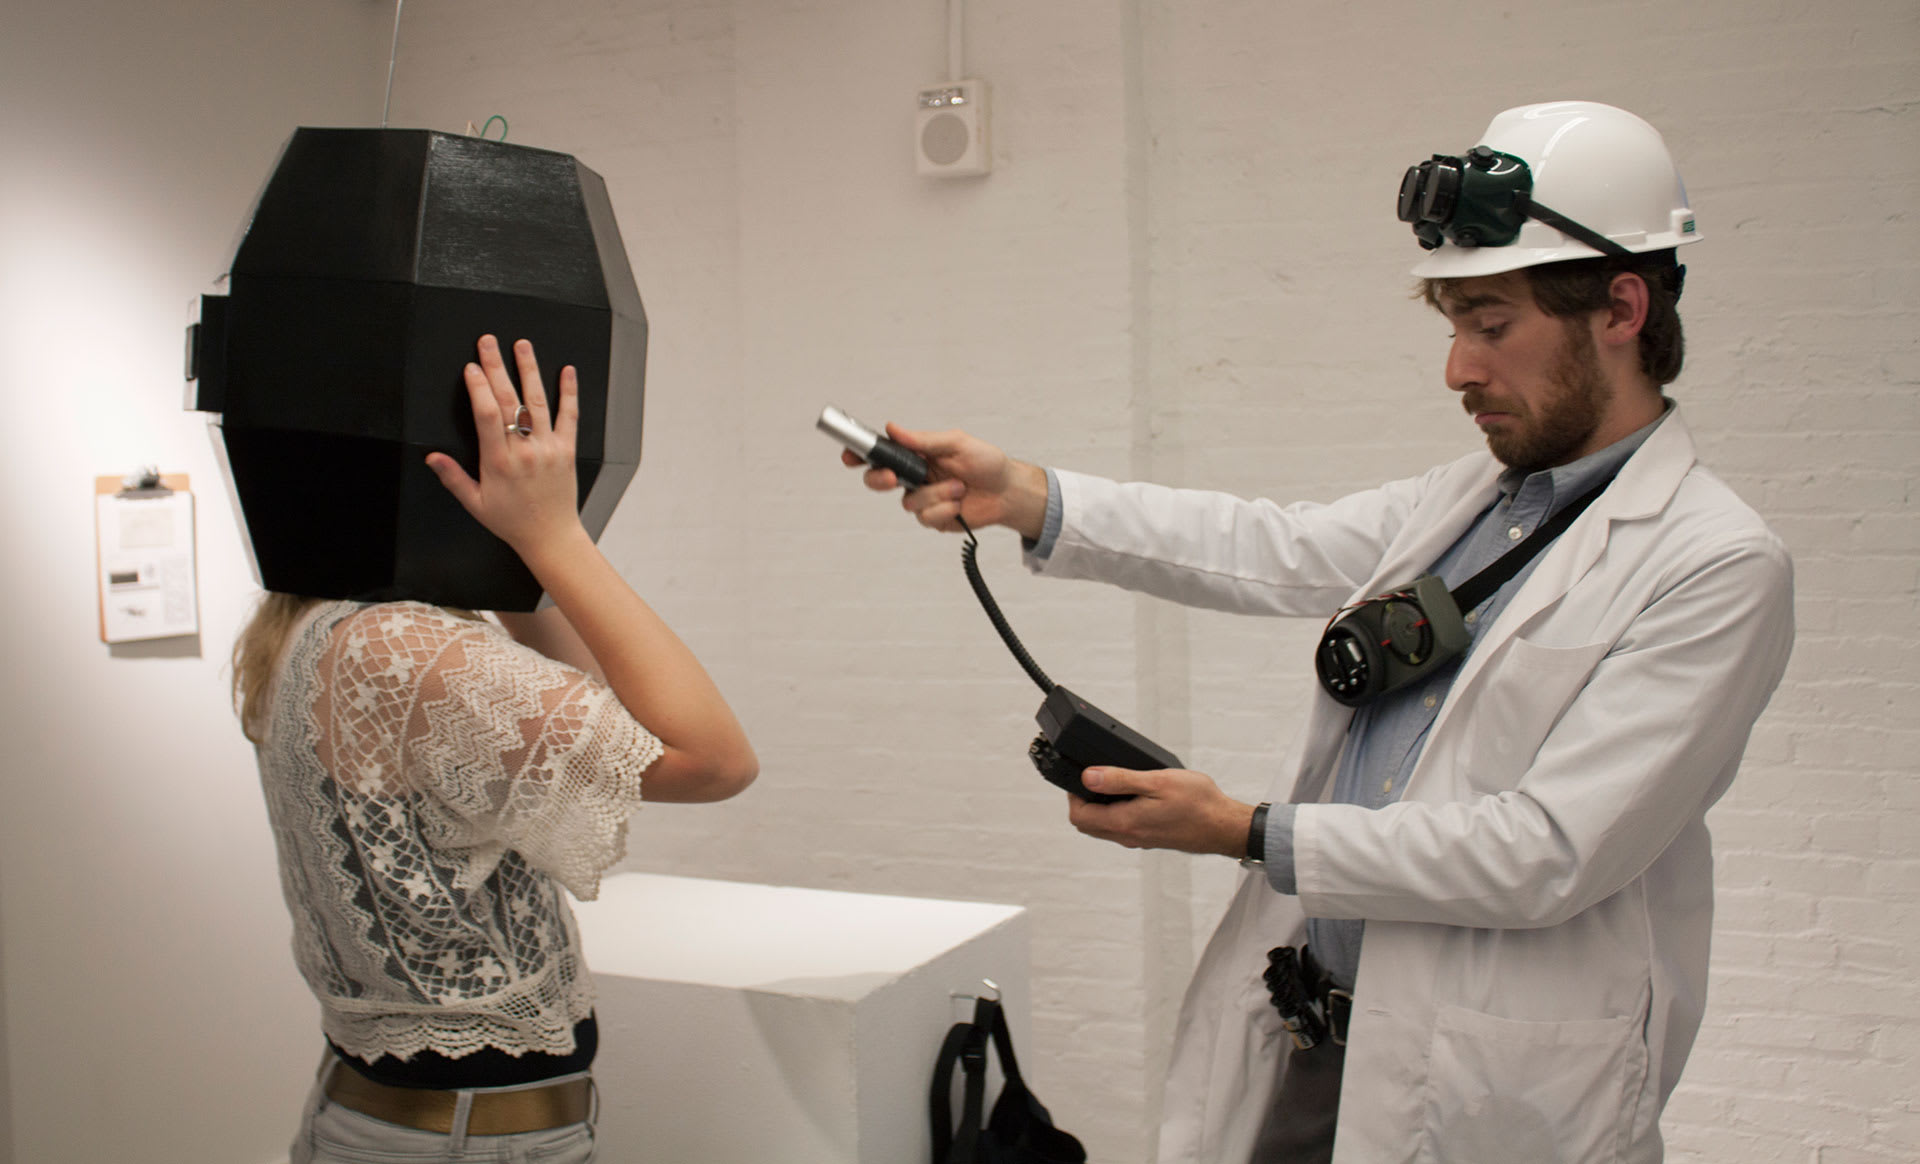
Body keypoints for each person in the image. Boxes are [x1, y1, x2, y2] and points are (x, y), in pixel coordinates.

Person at [846, 102, 1793, 1162]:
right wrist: (1028, 494)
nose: (1458, 371)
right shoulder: (1473, 500)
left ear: (1621, 308)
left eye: (1491, 327)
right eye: (1452, 329)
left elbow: (1548, 853)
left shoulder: (1714, 563)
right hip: (1317, 1036)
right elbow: (1271, 547)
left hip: (1491, 1087)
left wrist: (1248, 830)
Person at [234, 335, 757, 1162]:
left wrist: (521, 549)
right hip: (465, 1140)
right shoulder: (394, 649)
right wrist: (557, 537)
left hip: (404, 1121)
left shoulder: (314, 625)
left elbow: (617, 724)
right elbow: (715, 761)